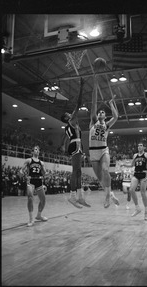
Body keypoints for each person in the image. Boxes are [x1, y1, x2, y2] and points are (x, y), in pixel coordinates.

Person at [89, 75, 120, 208]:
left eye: (103, 112)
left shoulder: (106, 125)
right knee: (101, 178)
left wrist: (111, 104)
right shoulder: (93, 122)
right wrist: (95, 85)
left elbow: (116, 116)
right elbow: (94, 103)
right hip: (93, 153)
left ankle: (107, 196)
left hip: (103, 150)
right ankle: (110, 193)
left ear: (104, 116)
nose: (101, 113)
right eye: (99, 112)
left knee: (106, 170)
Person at [60, 77, 90, 209]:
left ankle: (80, 196)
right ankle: (72, 197)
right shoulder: (71, 121)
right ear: (67, 118)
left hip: (75, 145)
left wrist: (63, 145)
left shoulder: (71, 126)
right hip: (75, 145)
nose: (70, 113)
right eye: (68, 113)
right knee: (75, 172)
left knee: (78, 172)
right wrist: (82, 87)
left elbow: (65, 139)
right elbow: (78, 103)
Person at [121, 142, 147, 220]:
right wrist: (124, 164)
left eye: (141, 145)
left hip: (143, 174)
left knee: (143, 193)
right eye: (138, 146)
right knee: (131, 190)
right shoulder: (135, 155)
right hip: (136, 174)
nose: (139, 147)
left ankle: (146, 211)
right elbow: (132, 165)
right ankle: (137, 208)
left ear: (143, 147)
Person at [20, 145, 48, 227]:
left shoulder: (42, 163)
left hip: (39, 181)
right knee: (30, 197)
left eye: (38, 150)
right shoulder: (28, 160)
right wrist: (21, 172)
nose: (37, 151)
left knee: (43, 200)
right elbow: (22, 169)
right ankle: (31, 219)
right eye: (36, 149)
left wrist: (46, 173)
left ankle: (39, 215)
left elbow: (44, 173)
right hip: (31, 180)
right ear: (32, 151)